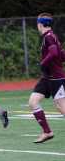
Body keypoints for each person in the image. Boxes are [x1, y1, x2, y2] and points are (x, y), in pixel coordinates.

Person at [28, 13, 65, 143]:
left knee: (62, 108)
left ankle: (47, 132)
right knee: (33, 101)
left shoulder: (48, 37)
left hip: (55, 78)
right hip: (47, 78)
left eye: (37, 24)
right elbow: (61, 55)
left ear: (40, 24)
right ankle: (47, 132)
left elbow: (54, 53)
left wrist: (43, 62)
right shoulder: (51, 37)